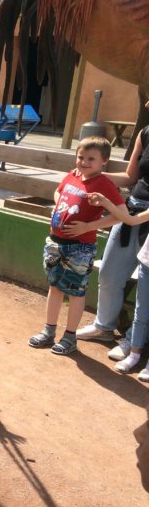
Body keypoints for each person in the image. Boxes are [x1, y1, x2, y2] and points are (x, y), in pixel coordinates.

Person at [28, 136, 126, 355]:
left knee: (75, 292)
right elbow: (59, 191)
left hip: (79, 248)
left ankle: (70, 337)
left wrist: (88, 226)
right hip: (55, 243)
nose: (84, 162)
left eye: (91, 159)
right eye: (81, 157)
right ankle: (49, 331)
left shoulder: (103, 184)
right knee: (54, 287)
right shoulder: (72, 175)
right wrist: (58, 207)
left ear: (104, 161)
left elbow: (120, 214)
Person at [77, 99, 149, 356]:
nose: (147, 105)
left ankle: (133, 340)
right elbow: (130, 177)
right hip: (130, 209)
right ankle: (104, 326)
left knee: (145, 287)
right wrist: (92, 173)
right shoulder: (145, 133)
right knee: (109, 274)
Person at [87, 191, 149, 378]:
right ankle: (134, 354)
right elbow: (131, 219)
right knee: (141, 311)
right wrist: (106, 202)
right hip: (147, 261)